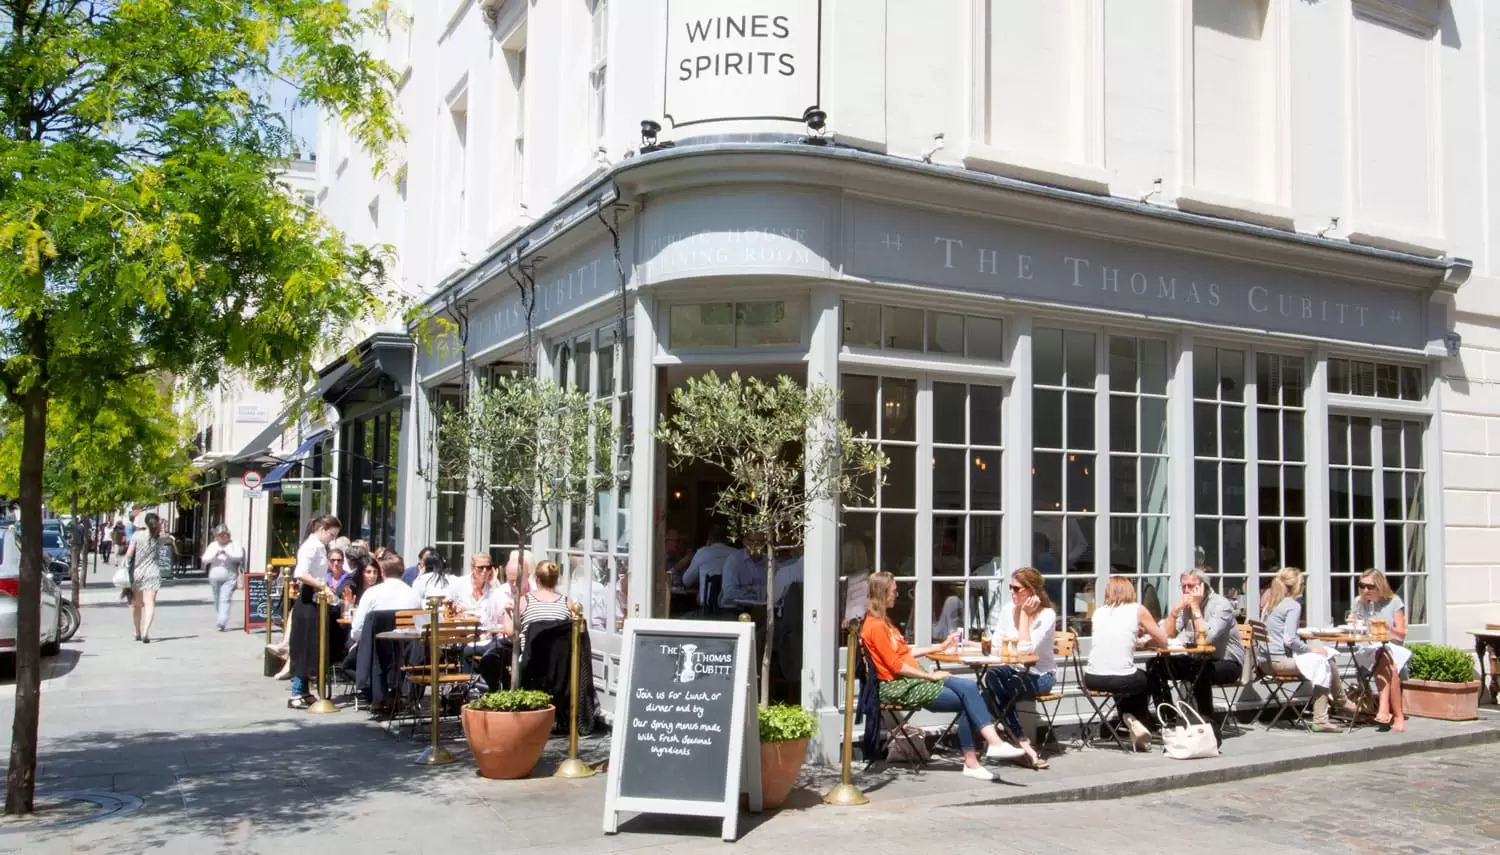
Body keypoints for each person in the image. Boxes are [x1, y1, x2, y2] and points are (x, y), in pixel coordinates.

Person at [861, 571, 1011, 782]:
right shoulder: (875, 626)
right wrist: (929, 676)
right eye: (894, 591)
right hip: (897, 685)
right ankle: (982, 753)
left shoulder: (885, 622)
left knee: (970, 693)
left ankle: (982, 754)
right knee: (970, 695)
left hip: (910, 680)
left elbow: (904, 653)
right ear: (882, 593)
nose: (897, 595)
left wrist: (938, 647)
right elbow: (895, 666)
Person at [1154, 567, 1245, 746]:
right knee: (1155, 665)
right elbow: (1168, 634)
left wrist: (1195, 607)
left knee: (1199, 671)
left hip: (1226, 662)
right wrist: (1175, 611)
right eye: (1183, 587)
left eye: (1191, 586)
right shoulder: (1185, 606)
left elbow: (1206, 638)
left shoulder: (1221, 605)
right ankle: (1169, 721)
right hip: (1195, 659)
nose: (1187, 591)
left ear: (1203, 587)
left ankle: (1208, 727)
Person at [1259, 567, 1353, 733]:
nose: (1304, 587)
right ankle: (1329, 712)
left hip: (1264, 662)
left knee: (1327, 658)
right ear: (1295, 586)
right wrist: (1310, 649)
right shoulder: (1292, 605)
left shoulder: (1271, 602)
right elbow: (1289, 640)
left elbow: (1280, 633)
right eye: (1302, 584)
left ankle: (1339, 702)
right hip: (1279, 663)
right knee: (1323, 660)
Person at [1083, 576, 1170, 751]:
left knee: (1127, 678)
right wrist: (1145, 642)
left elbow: (1109, 641)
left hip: (1092, 678)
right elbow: (1163, 640)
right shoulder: (1138, 610)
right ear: (1130, 591)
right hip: (1120, 678)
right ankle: (1146, 721)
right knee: (1149, 677)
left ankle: (1129, 719)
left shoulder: (1098, 612)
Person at [983, 567, 1057, 769]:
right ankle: (1023, 744)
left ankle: (1017, 743)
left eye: (1017, 589)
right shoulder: (1008, 609)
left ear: (1032, 591)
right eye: (1010, 588)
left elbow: (1026, 652)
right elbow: (997, 647)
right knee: (992, 677)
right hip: (1011, 672)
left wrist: (1024, 615)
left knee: (990, 695)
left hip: (1040, 675)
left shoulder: (1047, 615)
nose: (1013, 593)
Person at [288, 515, 341, 710]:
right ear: (323, 529)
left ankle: (303, 689)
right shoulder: (312, 546)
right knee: (305, 645)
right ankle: (297, 691)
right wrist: (322, 586)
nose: (332, 539)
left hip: (315, 598)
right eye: (331, 534)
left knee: (311, 645)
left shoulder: (318, 546)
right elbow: (301, 573)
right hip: (309, 599)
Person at [1353, 569, 1410, 732]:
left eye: (1370, 587)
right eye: (1362, 586)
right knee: (1385, 659)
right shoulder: (1359, 602)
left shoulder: (1394, 602)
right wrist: (1354, 622)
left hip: (1392, 647)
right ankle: (1396, 714)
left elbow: (1402, 635)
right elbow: (1357, 628)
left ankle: (1385, 707)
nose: (1365, 590)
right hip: (1367, 648)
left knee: (1384, 655)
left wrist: (1388, 629)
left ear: (1380, 586)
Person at [121, 512, 171, 643]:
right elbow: (169, 538)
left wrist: (125, 563)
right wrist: (164, 527)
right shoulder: (158, 539)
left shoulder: (137, 536)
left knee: (137, 604)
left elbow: (129, 554)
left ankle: (137, 631)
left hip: (138, 573)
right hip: (153, 572)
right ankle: (145, 632)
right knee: (150, 603)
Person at [681, 524, 736, 611]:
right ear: (728, 540)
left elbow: (686, 581)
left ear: (709, 539)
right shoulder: (736, 554)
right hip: (733, 609)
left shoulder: (702, 552)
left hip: (707, 610)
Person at [202, 525, 245, 632]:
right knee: (217, 600)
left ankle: (221, 622)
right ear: (216, 536)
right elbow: (205, 559)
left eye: (225, 534)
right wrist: (215, 555)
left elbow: (239, 556)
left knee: (225, 599)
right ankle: (220, 618)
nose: (223, 537)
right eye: (220, 535)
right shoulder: (213, 545)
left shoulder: (234, 544)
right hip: (214, 577)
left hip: (230, 577)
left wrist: (227, 553)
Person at [720, 531, 768, 609]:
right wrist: (756, 594)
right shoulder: (734, 560)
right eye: (752, 541)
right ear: (745, 541)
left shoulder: (769, 562)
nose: (756, 545)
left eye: (760, 542)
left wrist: (748, 590)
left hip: (761, 610)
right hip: (732, 609)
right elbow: (729, 592)